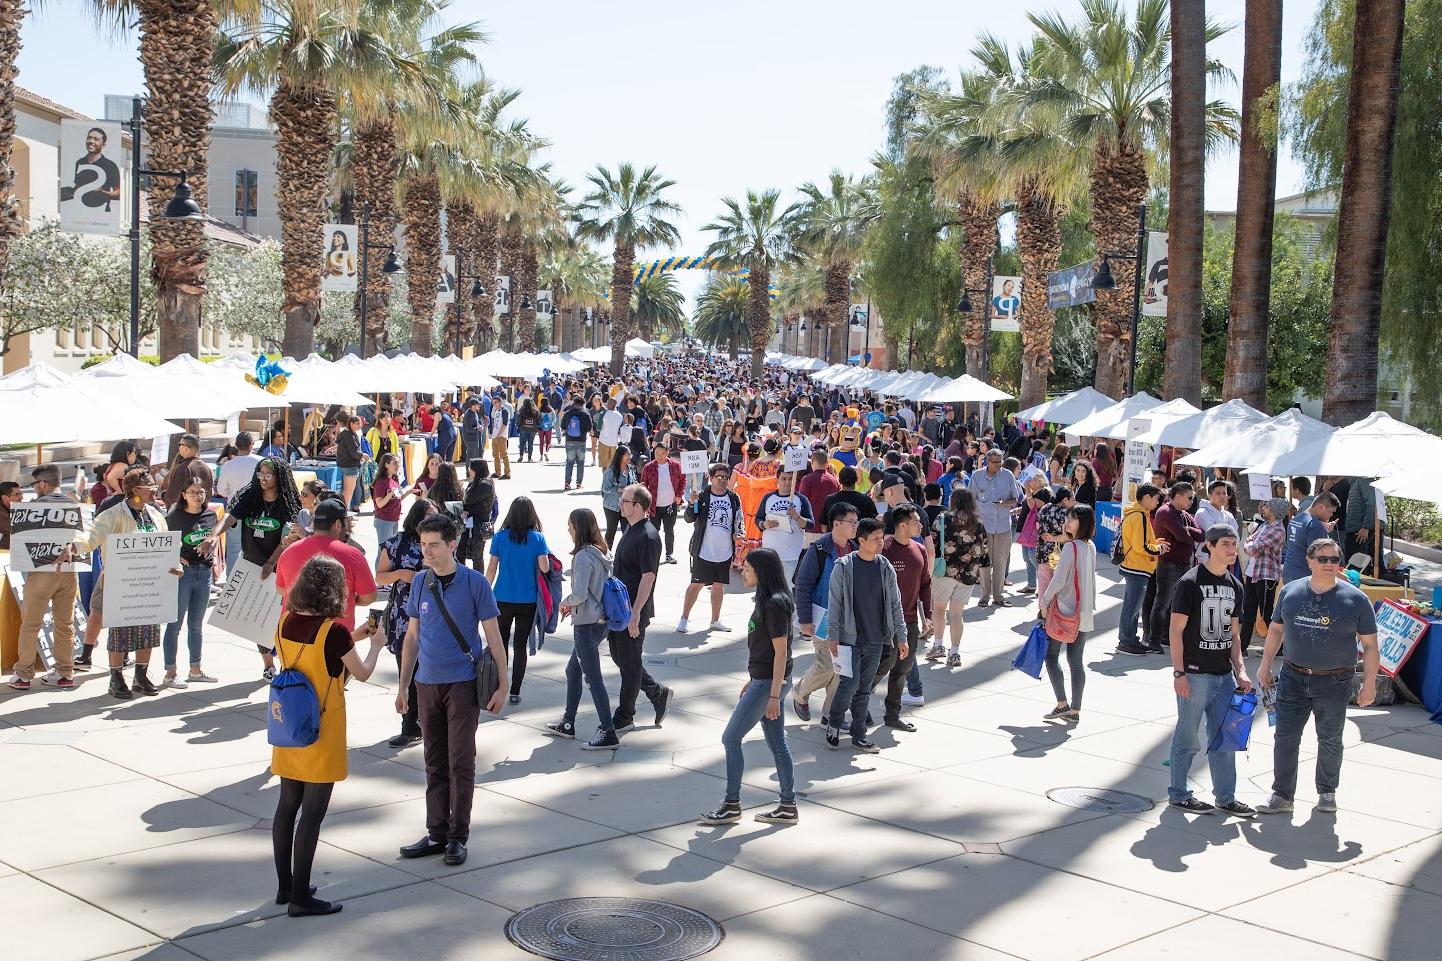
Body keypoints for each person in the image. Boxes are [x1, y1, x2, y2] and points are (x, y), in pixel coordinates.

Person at [269, 554, 384, 916]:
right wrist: (376, 644)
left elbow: (315, 655)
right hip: (322, 727)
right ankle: (302, 899)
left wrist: (355, 636)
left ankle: (286, 887)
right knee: (313, 815)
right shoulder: (332, 631)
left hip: (289, 724)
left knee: (287, 806)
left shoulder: (285, 621)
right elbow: (360, 672)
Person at [396, 513, 508, 867]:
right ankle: (436, 833)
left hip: (462, 685)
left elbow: (494, 639)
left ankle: (457, 837)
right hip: (426, 685)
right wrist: (403, 687)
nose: (426, 552)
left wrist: (503, 685)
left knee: (461, 763)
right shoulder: (420, 583)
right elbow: (412, 637)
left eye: (434, 545)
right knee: (434, 763)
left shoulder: (476, 583)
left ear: (453, 545)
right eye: (423, 545)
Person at [1256, 537, 1379, 816]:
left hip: (1335, 681)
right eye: (1322, 559)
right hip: (1293, 677)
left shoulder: (1356, 600)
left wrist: (1369, 684)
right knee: (1286, 737)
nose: (1328, 565)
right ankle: (1282, 795)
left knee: (1331, 739)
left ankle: (1327, 792)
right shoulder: (1290, 592)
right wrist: (1265, 666)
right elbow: (1276, 629)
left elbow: (1370, 645)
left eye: (1334, 560)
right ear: (1310, 560)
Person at [700, 548, 800, 825]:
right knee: (777, 742)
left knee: (731, 738)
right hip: (765, 680)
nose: (742, 572)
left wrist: (772, 695)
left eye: (747, 568)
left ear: (762, 571)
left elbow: (782, 652)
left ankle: (732, 804)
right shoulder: (767, 600)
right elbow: (768, 650)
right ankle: (788, 805)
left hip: (770, 683)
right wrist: (754, 679)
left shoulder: (774, 604)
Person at [1166, 524, 1255, 817]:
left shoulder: (1236, 586)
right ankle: (1179, 794)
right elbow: (1176, 631)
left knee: (1224, 740)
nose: (1232, 550)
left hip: (1223, 677)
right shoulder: (1190, 583)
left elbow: (1235, 635)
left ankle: (1226, 797)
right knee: (1187, 737)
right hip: (1194, 674)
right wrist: (1179, 673)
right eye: (1226, 544)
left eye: (1235, 544)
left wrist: (1240, 670)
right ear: (1210, 546)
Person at [70, 469, 176, 699]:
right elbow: (92, 535)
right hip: (121, 583)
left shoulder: (155, 515)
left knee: (148, 630)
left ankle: (141, 675)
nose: (154, 493)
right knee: (120, 631)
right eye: (150, 489)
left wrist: (175, 564)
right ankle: (116, 678)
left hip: (150, 584)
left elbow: (167, 546)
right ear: (135, 490)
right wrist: (74, 546)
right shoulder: (114, 514)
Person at [824, 517, 906, 754]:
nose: (881, 543)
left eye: (882, 538)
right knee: (849, 685)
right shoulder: (844, 567)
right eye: (875, 539)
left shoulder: (884, 567)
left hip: (876, 639)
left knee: (864, 689)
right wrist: (833, 636)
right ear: (861, 540)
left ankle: (859, 735)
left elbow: (895, 603)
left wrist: (900, 636)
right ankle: (835, 723)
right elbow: (835, 603)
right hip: (849, 639)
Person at [544, 508, 620, 750]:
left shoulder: (583, 557)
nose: (568, 530)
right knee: (573, 671)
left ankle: (608, 731)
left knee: (592, 677)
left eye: (570, 526)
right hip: (600, 621)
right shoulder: (601, 553)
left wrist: (563, 602)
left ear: (578, 528)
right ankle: (568, 722)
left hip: (586, 624)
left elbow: (579, 594)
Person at [7, 466, 81, 691]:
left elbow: (17, 543)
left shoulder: (32, 508)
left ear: (43, 484)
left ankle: (23, 675)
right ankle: (65, 672)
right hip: (69, 572)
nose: (34, 488)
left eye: (34, 484)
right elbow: (84, 540)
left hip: (41, 572)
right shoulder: (74, 505)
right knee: (65, 624)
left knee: (30, 624)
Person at [609, 484, 673, 733]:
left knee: (630, 663)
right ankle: (657, 692)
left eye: (624, 501)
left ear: (638, 506)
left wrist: (635, 613)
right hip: (619, 609)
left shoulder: (648, 536)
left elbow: (648, 578)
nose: (620, 504)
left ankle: (625, 716)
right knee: (621, 657)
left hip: (633, 611)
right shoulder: (630, 528)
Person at [377, 499, 437, 748]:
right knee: (408, 672)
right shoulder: (395, 544)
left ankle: (429, 722)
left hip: (433, 615)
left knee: (431, 673)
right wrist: (401, 574)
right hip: (403, 617)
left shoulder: (437, 544)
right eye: (430, 516)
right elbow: (379, 576)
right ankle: (410, 726)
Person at [792, 504, 857, 721]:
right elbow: (803, 584)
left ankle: (830, 717)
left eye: (856, 522)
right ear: (836, 524)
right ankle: (800, 691)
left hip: (848, 620)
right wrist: (805, 619)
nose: (855, 526)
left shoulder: (855, 549)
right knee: (827, 665)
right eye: (851, 522)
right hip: (823, 618)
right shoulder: (818, 549)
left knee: (841, 668)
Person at [275, 498, 378, 634]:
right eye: (345, 522)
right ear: (337, 524)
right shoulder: (352, 555)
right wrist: (348, 599)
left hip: (292, 637)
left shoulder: (289, 551)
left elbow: (281, 589)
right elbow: (369, 597)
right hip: (333, 639)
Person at [485, 496, 550, 704]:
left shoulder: (500, 537)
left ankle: (499, 684)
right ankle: (514, 690)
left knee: (500, 642)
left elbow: (491, 569)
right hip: (528, 599)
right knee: (520, 645)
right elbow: (545, 567)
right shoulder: (538, 538)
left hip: (502, 597)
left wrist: (484, 592)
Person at [874, 504, 931, 732]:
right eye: (916, 521)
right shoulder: (884, 549)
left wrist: (927, 615)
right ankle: (857, 705)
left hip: (910, 623)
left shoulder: (920, 550)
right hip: (885, 623)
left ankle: (892, 715)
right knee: (881, 666)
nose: (920, 524)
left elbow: (925, 585)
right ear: (902, 525)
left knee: (902, 670)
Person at [1037, 505, 1097, 724]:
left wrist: (1044, 602)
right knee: (1076, 661)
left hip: (1065, 611)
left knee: (1051, 656)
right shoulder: (1089, 546)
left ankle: (1062, 704)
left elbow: (1058, 580)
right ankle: (1075, 710)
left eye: (1072, 519)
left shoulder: (1071, 547)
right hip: (1084, 612)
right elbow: (1090, 580)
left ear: (1083, 522)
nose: (1067, 522)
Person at [161, 478, 219, 688]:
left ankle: (195, 669)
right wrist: (175, 556)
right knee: (174, 625)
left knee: (196, 625)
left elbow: (213, 538)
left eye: (201, 492)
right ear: (184, 494)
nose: (197, 495)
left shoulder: (211, 515)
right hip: (182, 574)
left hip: (204, 573)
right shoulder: (174, 517)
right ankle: (170, 672)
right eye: (192, 491)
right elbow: (164, 543)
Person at [678, 463, 742, 634]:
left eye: (725, 477)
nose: (722, 480)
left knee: (719, 586)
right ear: (711, 478)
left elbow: (738, 520)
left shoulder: (733, 498)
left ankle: (715, 620)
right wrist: (692, 504)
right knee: (696, 585)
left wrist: (738, 534)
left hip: (725, 551)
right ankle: (684, 618)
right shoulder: (702, 496)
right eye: (718, 477)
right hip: (704, 550)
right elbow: (689, 518)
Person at [928, 488, 989, 667]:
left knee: (939, 608)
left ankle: (938, 644)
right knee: (957, 613)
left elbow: (932, 542)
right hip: (968, 573)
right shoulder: (977, 521)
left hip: (944, 570)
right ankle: (954, 652)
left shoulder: (942, 518)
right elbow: (984, 547)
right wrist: (982, 567)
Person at [1114, 484, 1170, 656]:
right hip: (1137, 566)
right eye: (1155, 499)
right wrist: (1159, 549)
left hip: (1135, 565)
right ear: (1146, 497)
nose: (1157, 503)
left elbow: (1141, 542)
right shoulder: (1140, 516)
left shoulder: (1137, 514)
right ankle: (1126, 641)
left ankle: (1130, 639)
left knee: (1133, 606)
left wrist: (1155, 544)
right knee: (1132, 607)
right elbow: (1141, 547)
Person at [1149, 483, 1204, 649]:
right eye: (1189, 497)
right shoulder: (1166, 512)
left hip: (1183, 564)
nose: (1192, 501)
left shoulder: (1184, 514)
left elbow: (1201, 535)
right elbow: (1184, 537)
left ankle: (1166, 637)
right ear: (1178, 496)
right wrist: (1187, 531)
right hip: (1169, 564)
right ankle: (1154, 640)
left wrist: (1187, 529)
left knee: (1176, 604)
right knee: (1163, 602)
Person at [968, 449, 1021, 607]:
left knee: (1000, 563)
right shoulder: (977, 476)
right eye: (994, 462)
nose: (998, 465)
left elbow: (1016, 498)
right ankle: (984, 596)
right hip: (984, 526)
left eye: (1000, 462)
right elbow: (970, 499)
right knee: (984, 563)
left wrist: (1004, 503)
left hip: (1003, 525)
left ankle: (998, 596)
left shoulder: (1008, 475)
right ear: (987, 461)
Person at [1241, 497, 1289, 654]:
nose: (1263, 509)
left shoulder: (1277, 530)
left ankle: (1281, 647)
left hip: (1266, 577)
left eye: (1267, 507)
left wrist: (1249, 545)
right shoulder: (1266, 525)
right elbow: (1249, 542)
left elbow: (1253, 548)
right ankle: (1242, 647)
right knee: (1248, 610)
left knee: (1266, 613)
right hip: (1253, 574)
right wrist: (1250, 545)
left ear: (1274, 511)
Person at [756, 468, 816, 581]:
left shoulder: (801, 499)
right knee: (769, 588)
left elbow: (810, 524)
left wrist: (797, 517)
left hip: (792, 554)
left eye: (790, 479)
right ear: (777, 480)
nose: (787, 482)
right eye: (783, 479)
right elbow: (758, 519)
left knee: (787, 589)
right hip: (770, 553)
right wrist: (764, 524)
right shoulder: (768, 498)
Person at [215, 432, 261, 575]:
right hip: (257, 511)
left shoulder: (228, 465)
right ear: (251, 445)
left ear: (237, 446)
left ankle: (231, 582)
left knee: (234, 548)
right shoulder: (261, 462)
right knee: (256, 547)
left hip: (235, 511)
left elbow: (221, 490)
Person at [1280, 491, 1340, 583]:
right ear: (1321, 507)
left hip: (1289, 572)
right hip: (1305, 577)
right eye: (1330, 511)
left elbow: (1300, 541)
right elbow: (1322, 558)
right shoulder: (1315, 526)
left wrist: (1325, 532)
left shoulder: (1296, 519)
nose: (1331, 515)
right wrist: (1340, 576)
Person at [640, 439, 683, 564]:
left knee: (669, 530)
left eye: (662, 453)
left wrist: (679, 495)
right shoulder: (648, 467)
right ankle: (653, 554)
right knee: (653, 532)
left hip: (670, 505)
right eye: (657, 453)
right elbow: (643, 486)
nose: (659, 456)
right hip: (654, 506)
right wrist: (645, 504)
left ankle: (669, 554)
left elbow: (682, 480)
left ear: (667, 453)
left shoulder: (675, 466)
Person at [459, 458, 497, 570]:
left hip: (479, 525)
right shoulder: (474, 482)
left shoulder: (486, 484)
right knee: (461, 552)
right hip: (468, 523)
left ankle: (479, 581)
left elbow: (468, 499)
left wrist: (461, 492)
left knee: (477, 555)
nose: (469, 470)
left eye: (471, 467)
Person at [162, 433, 215, 511]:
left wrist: (162, 495)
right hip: (201, 512)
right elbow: (209, 494)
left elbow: (172, 497)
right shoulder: (207, 468)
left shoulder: (182, 468)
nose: (179, 447)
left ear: (186, 448)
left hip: (182, 514)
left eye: (180, 444)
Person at [601, 446, 636, 548]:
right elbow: (605, 488)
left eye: (630, 454)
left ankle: (625, 556)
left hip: (627, 507)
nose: (630, 457)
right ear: (620, 456)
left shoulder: (630, 469)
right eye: (627, 454)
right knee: (611, 531)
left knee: (627, 532)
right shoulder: (610, 471)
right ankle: (606, 556)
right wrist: (620, 489)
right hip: (612, 506)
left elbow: (633, 483)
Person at [559, 395, 593, 491]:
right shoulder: (585, 414)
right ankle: (578, 483)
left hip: (569, 440)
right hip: (581, 441)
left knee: (569, 462)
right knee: (580, 462)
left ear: (573, 403)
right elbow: (589, 428)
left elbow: (563, 426)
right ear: (583, 404)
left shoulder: (568, 413)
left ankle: (567, 483)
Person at [371, 453, 404, 549]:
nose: (397, 466)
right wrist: (390, 494)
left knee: (392, 549)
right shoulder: (381, 482)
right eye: (394, 463)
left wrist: (410, 492)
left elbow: (398, 499)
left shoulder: (394, 480)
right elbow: (380, 504)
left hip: (394, 519)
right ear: (386, 465)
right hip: (384, 520)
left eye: (398, 463)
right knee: (384, 550)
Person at [334, 416, 364, 512]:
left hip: (343, 465)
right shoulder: (349, 436)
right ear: (351, 423)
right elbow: (354, 452)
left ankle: (343, 511)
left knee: (345, 491)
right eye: (358, 423)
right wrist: (363, 455)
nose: (360, 425)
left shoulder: (345, 434)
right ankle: (345, 513)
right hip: (350, 465)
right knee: (348, 491)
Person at [597, 397, 624, 470]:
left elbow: (598, 428)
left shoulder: (603, 413)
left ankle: (604, 479)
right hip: (614, 442)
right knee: (612, 464)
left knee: (604, 465)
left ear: (608, 404)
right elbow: (620, 430)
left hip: (603, 441)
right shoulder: (620, 416)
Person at [489, 393, 512, 480]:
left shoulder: (505, 411)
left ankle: (507, 473)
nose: (494, 404)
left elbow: (505, 424)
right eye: (493, 403)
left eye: (496, 402)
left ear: (500, 402)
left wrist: (499, 434)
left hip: (501, 435)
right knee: (495, 455)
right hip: (495, 435)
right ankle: (497, 472)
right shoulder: (496, 411)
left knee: (504, 455)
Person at [460, 398, 486, 466]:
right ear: (473, 405)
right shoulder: (468, 415)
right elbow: (468, 429)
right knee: (471, 457)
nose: (479, 406)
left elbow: (476, 423)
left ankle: (473, 472)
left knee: (475, 456)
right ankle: (469, 473)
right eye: (478, 405)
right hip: (470, 439)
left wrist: (480, 426)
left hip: (474, 437)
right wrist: (478, 428)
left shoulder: (474, 413)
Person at [515, 397, 540, 462]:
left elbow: (518, 420)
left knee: (522, 443)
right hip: (532, 429)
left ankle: (521, 455)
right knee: (530, 443)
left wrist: (518, 425)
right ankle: (529, 457)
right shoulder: (536, 411)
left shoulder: (521, 410)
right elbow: (539, 420)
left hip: (523, 428)